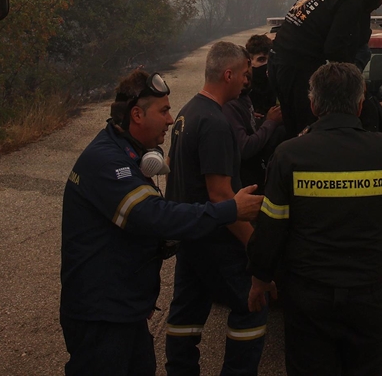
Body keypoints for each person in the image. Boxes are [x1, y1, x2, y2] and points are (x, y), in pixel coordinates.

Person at [60, 70, 264, 376]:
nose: (171, 120)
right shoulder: (107, 162)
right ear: (137, 115)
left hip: (123, 312)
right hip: (102, 318)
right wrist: (229, 210)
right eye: (165, 111)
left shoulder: (125, 152)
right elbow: (153, 217)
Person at [246, 62, 382, 376]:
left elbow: (271, 226)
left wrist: (259, 277)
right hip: (369, 292)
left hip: (309, 295)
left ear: (312, 105)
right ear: (361, 103)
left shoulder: (289, 155)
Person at [165, 42, 268, 376]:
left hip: (190, 237)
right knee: (252, 306)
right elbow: (221, 196)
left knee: (186, 317)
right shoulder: (215, 123)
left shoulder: (187, 113)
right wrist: (256, 250)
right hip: (216, 240)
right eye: (243, 75)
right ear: (228, 74)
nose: (245, 81)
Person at [269, 0, 382, 135]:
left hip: (278, 62)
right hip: (296, 68)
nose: (380, 5)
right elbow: (335, 49)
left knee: (294, 129)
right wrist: (354, 81)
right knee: (308, 132)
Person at [223, 41, 285, 190]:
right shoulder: (231, 102)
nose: (247, 77)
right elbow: (245, 147)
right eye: (252, 62)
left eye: (264, 60)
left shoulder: (245, 95)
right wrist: (269, 122)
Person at [245, 34, 277, 116]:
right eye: (261, 59)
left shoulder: (277, 83)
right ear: (250, 62)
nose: (267, 64)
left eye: (270, 59)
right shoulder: (243, 90)